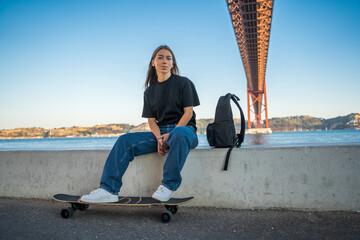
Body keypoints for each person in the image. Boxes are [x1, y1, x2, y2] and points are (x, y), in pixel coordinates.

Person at [81, 45, 200, 203]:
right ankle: (108, 190)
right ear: (153, 62)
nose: (164, 60)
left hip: (184, 131)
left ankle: (168, 186)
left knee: (178, 134)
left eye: (168, 58)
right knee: (124, 140)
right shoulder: (149, 92)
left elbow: (188, 113)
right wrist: (159, 139)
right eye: (160, 57)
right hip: (160, 132)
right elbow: (151, 121)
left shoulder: (184, 83)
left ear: (173, 64)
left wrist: (170, 136)